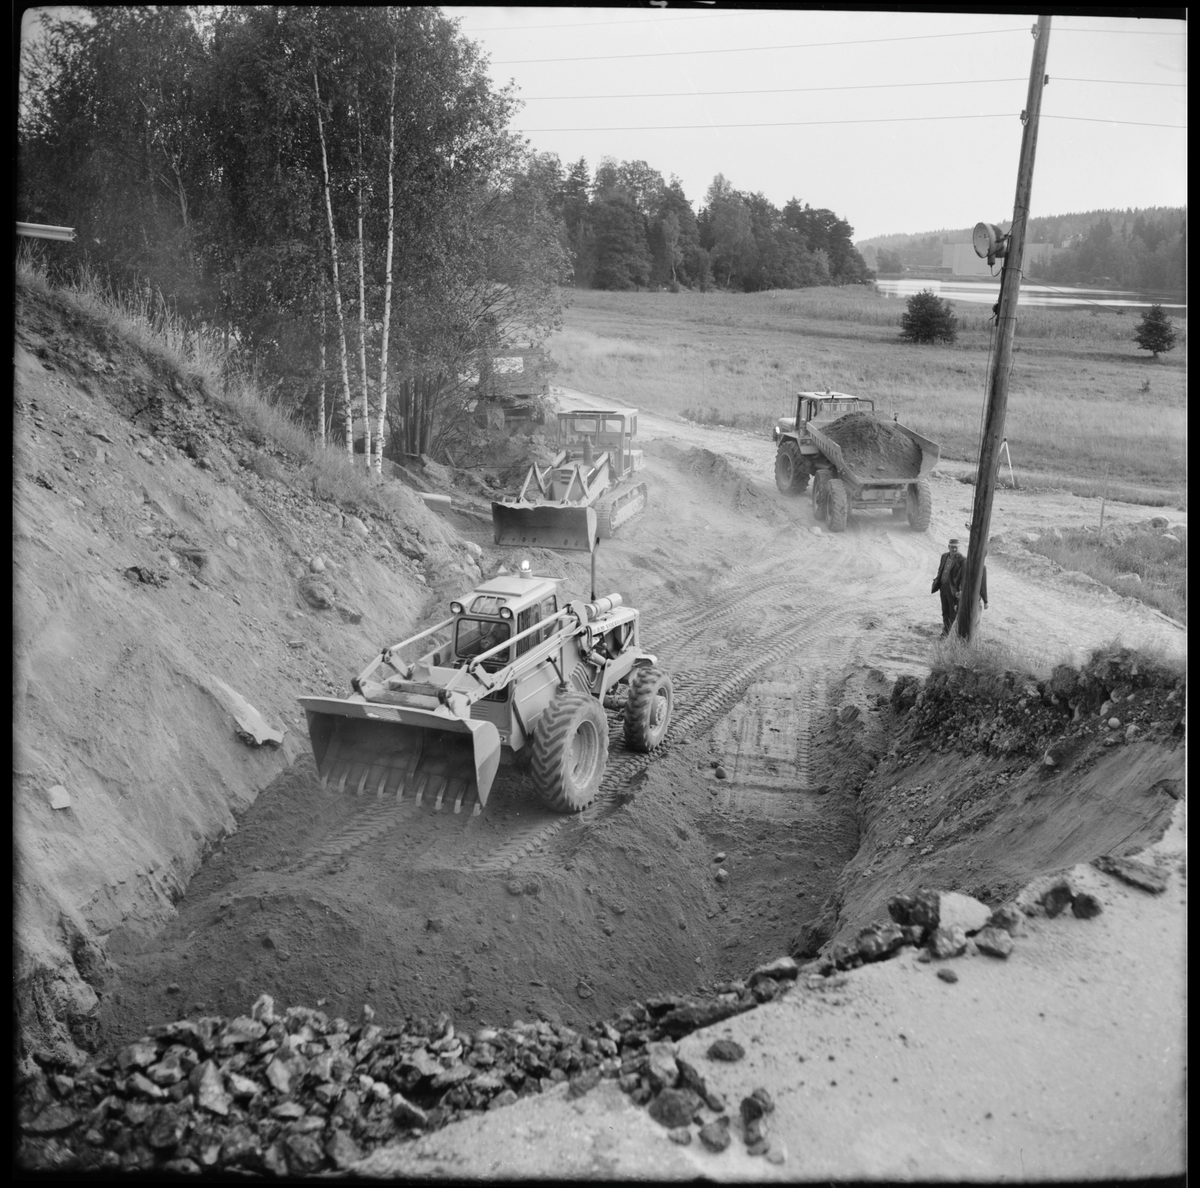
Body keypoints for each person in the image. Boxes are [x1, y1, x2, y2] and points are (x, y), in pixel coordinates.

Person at [931, 539, 988, 635]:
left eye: (956, 547)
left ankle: (945, 634)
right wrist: (937, 581)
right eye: (952, 547)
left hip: (952, 590)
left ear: (959, 547)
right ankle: (946, 631)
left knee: (953, 613)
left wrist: (959, 590)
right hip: (943, 587)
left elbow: (962, 577)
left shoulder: (963, 560)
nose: (954, 549)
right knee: (945, 612)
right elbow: (940, 570)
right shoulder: (944, 556)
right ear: (948, 547)